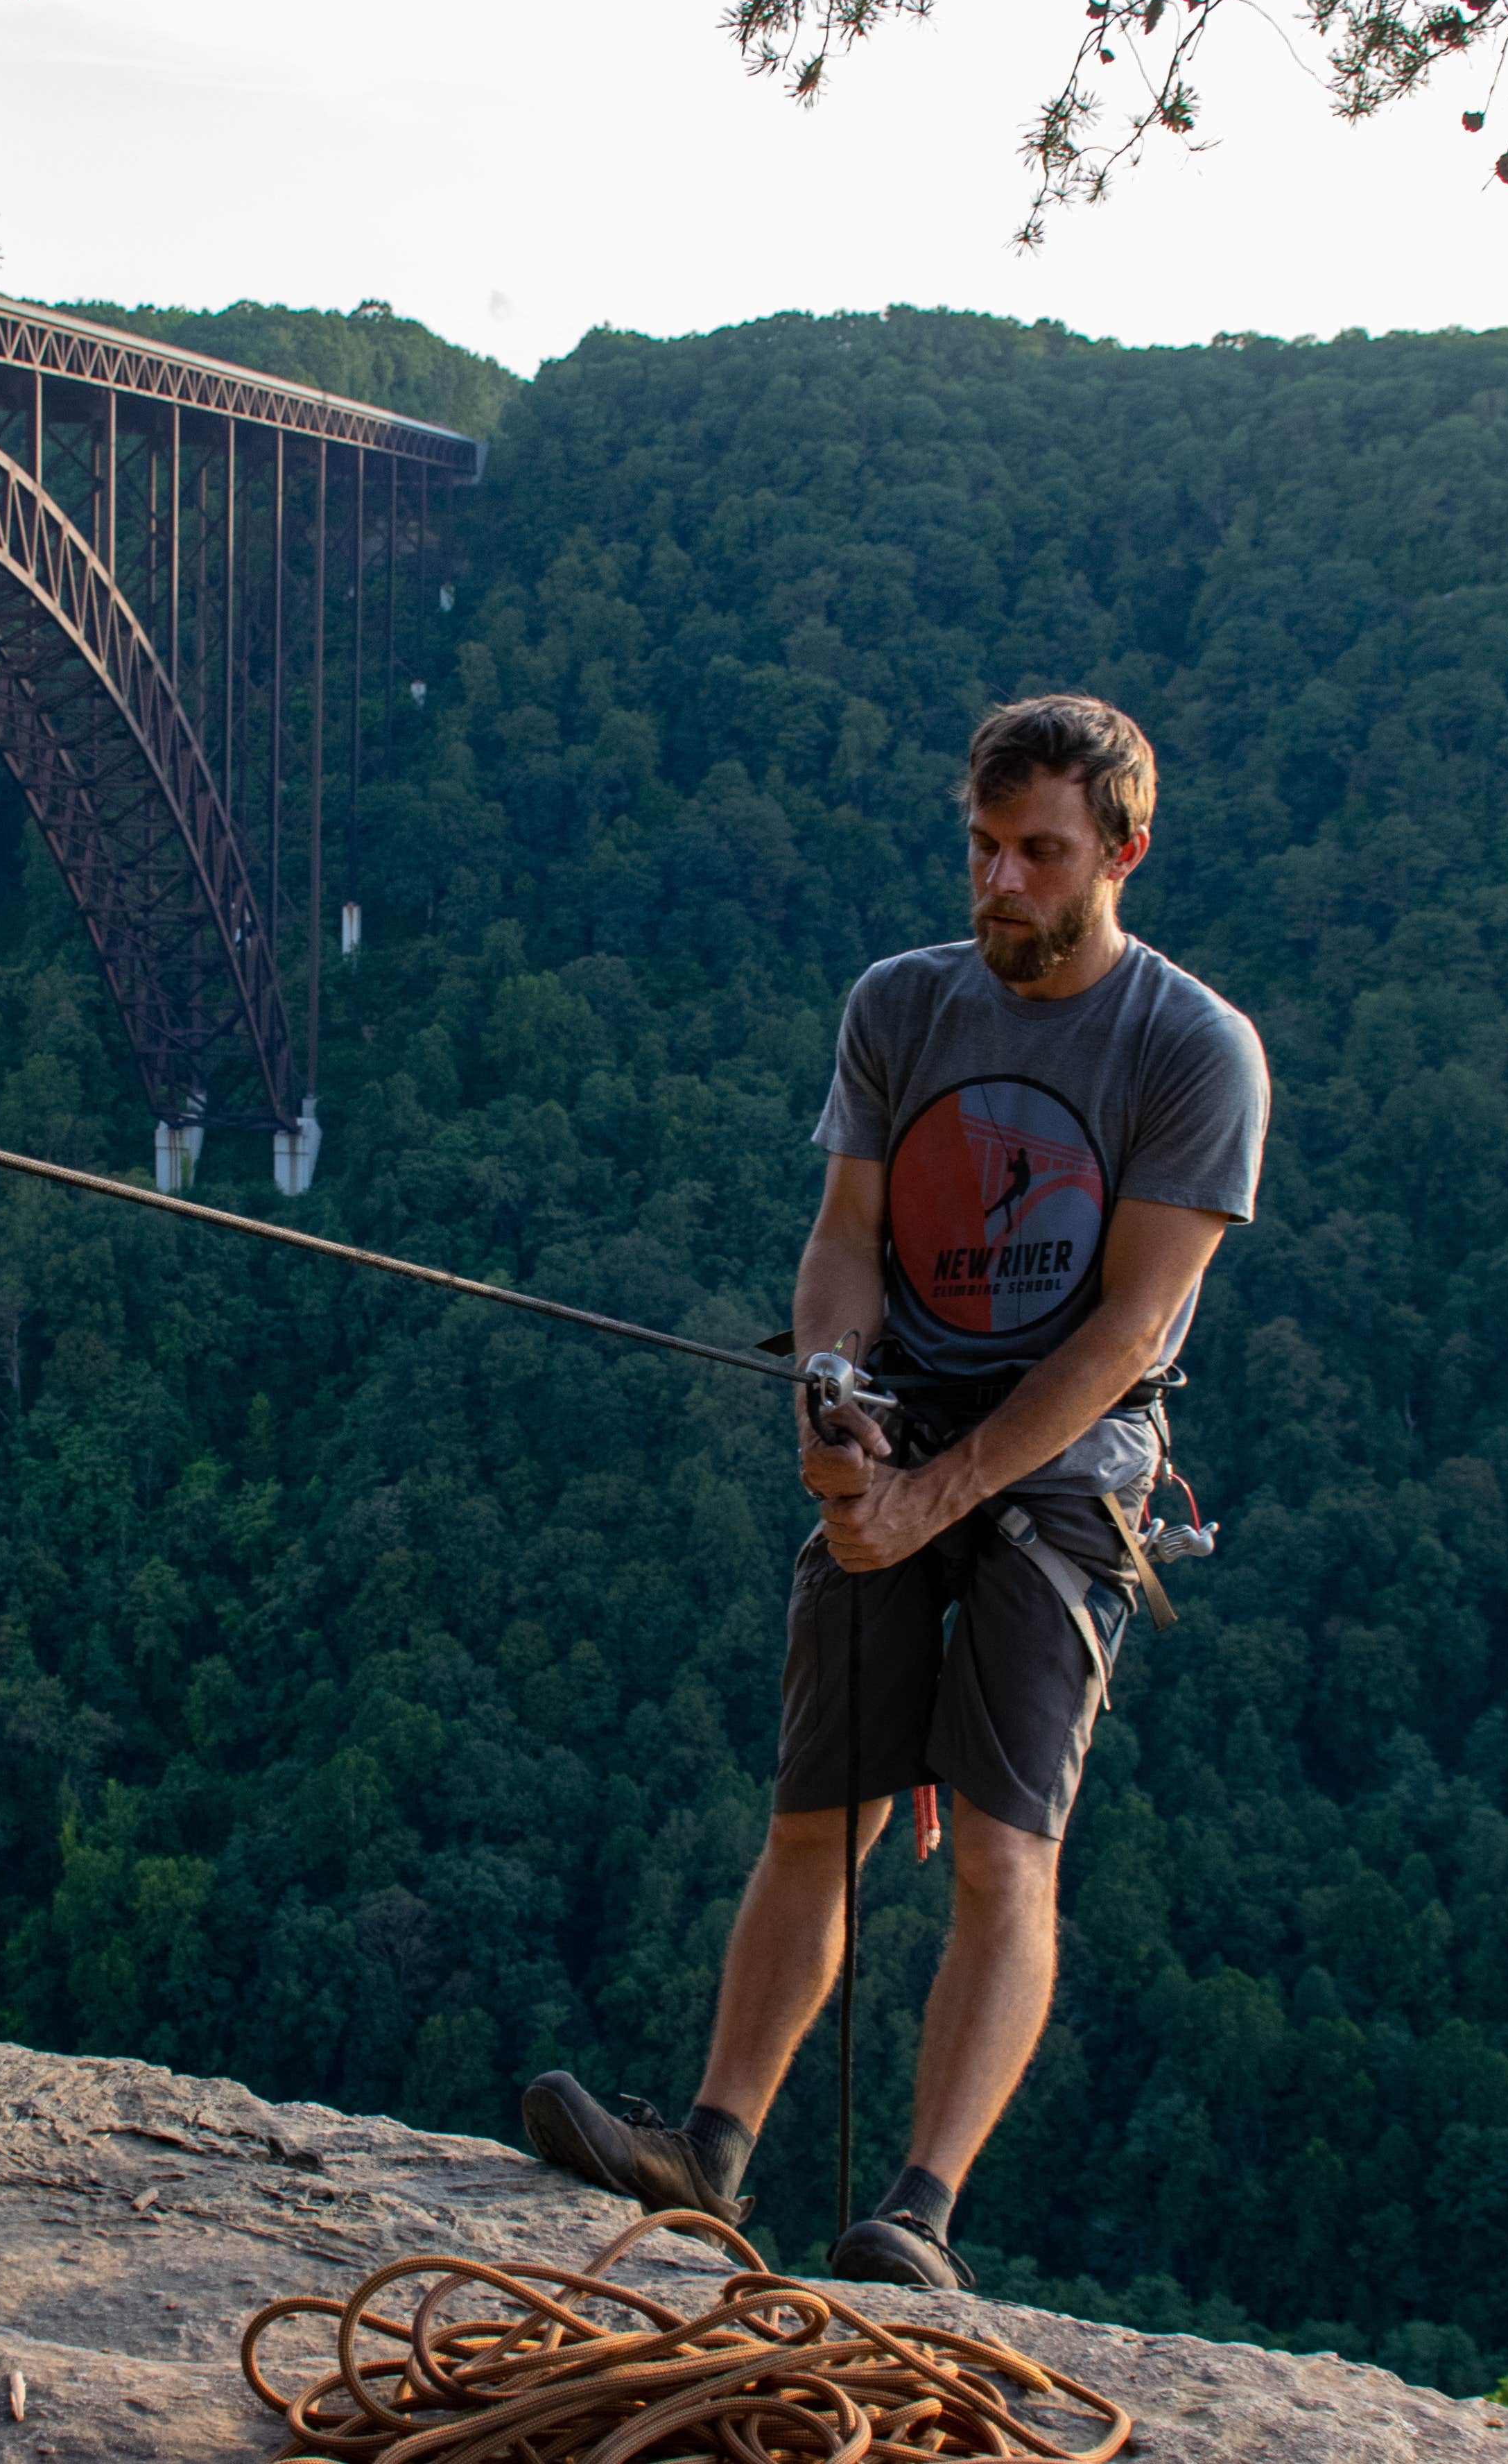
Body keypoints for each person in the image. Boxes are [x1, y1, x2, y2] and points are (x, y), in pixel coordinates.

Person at [520, 692, 1270, 2287]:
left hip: (1069, 1476)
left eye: (1040, 857)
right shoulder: (900, 1007)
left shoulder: (1194, 1051)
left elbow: (1130, 1327)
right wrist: (832, 1408)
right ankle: (707, 2158)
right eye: (984, 850)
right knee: (819, 1818)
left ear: (1124, 854)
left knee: (1004, 1848)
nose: (1001, 886)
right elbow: (845, 1244)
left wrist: (941, 1496)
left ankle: (915, 2217)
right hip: (897, 1431)